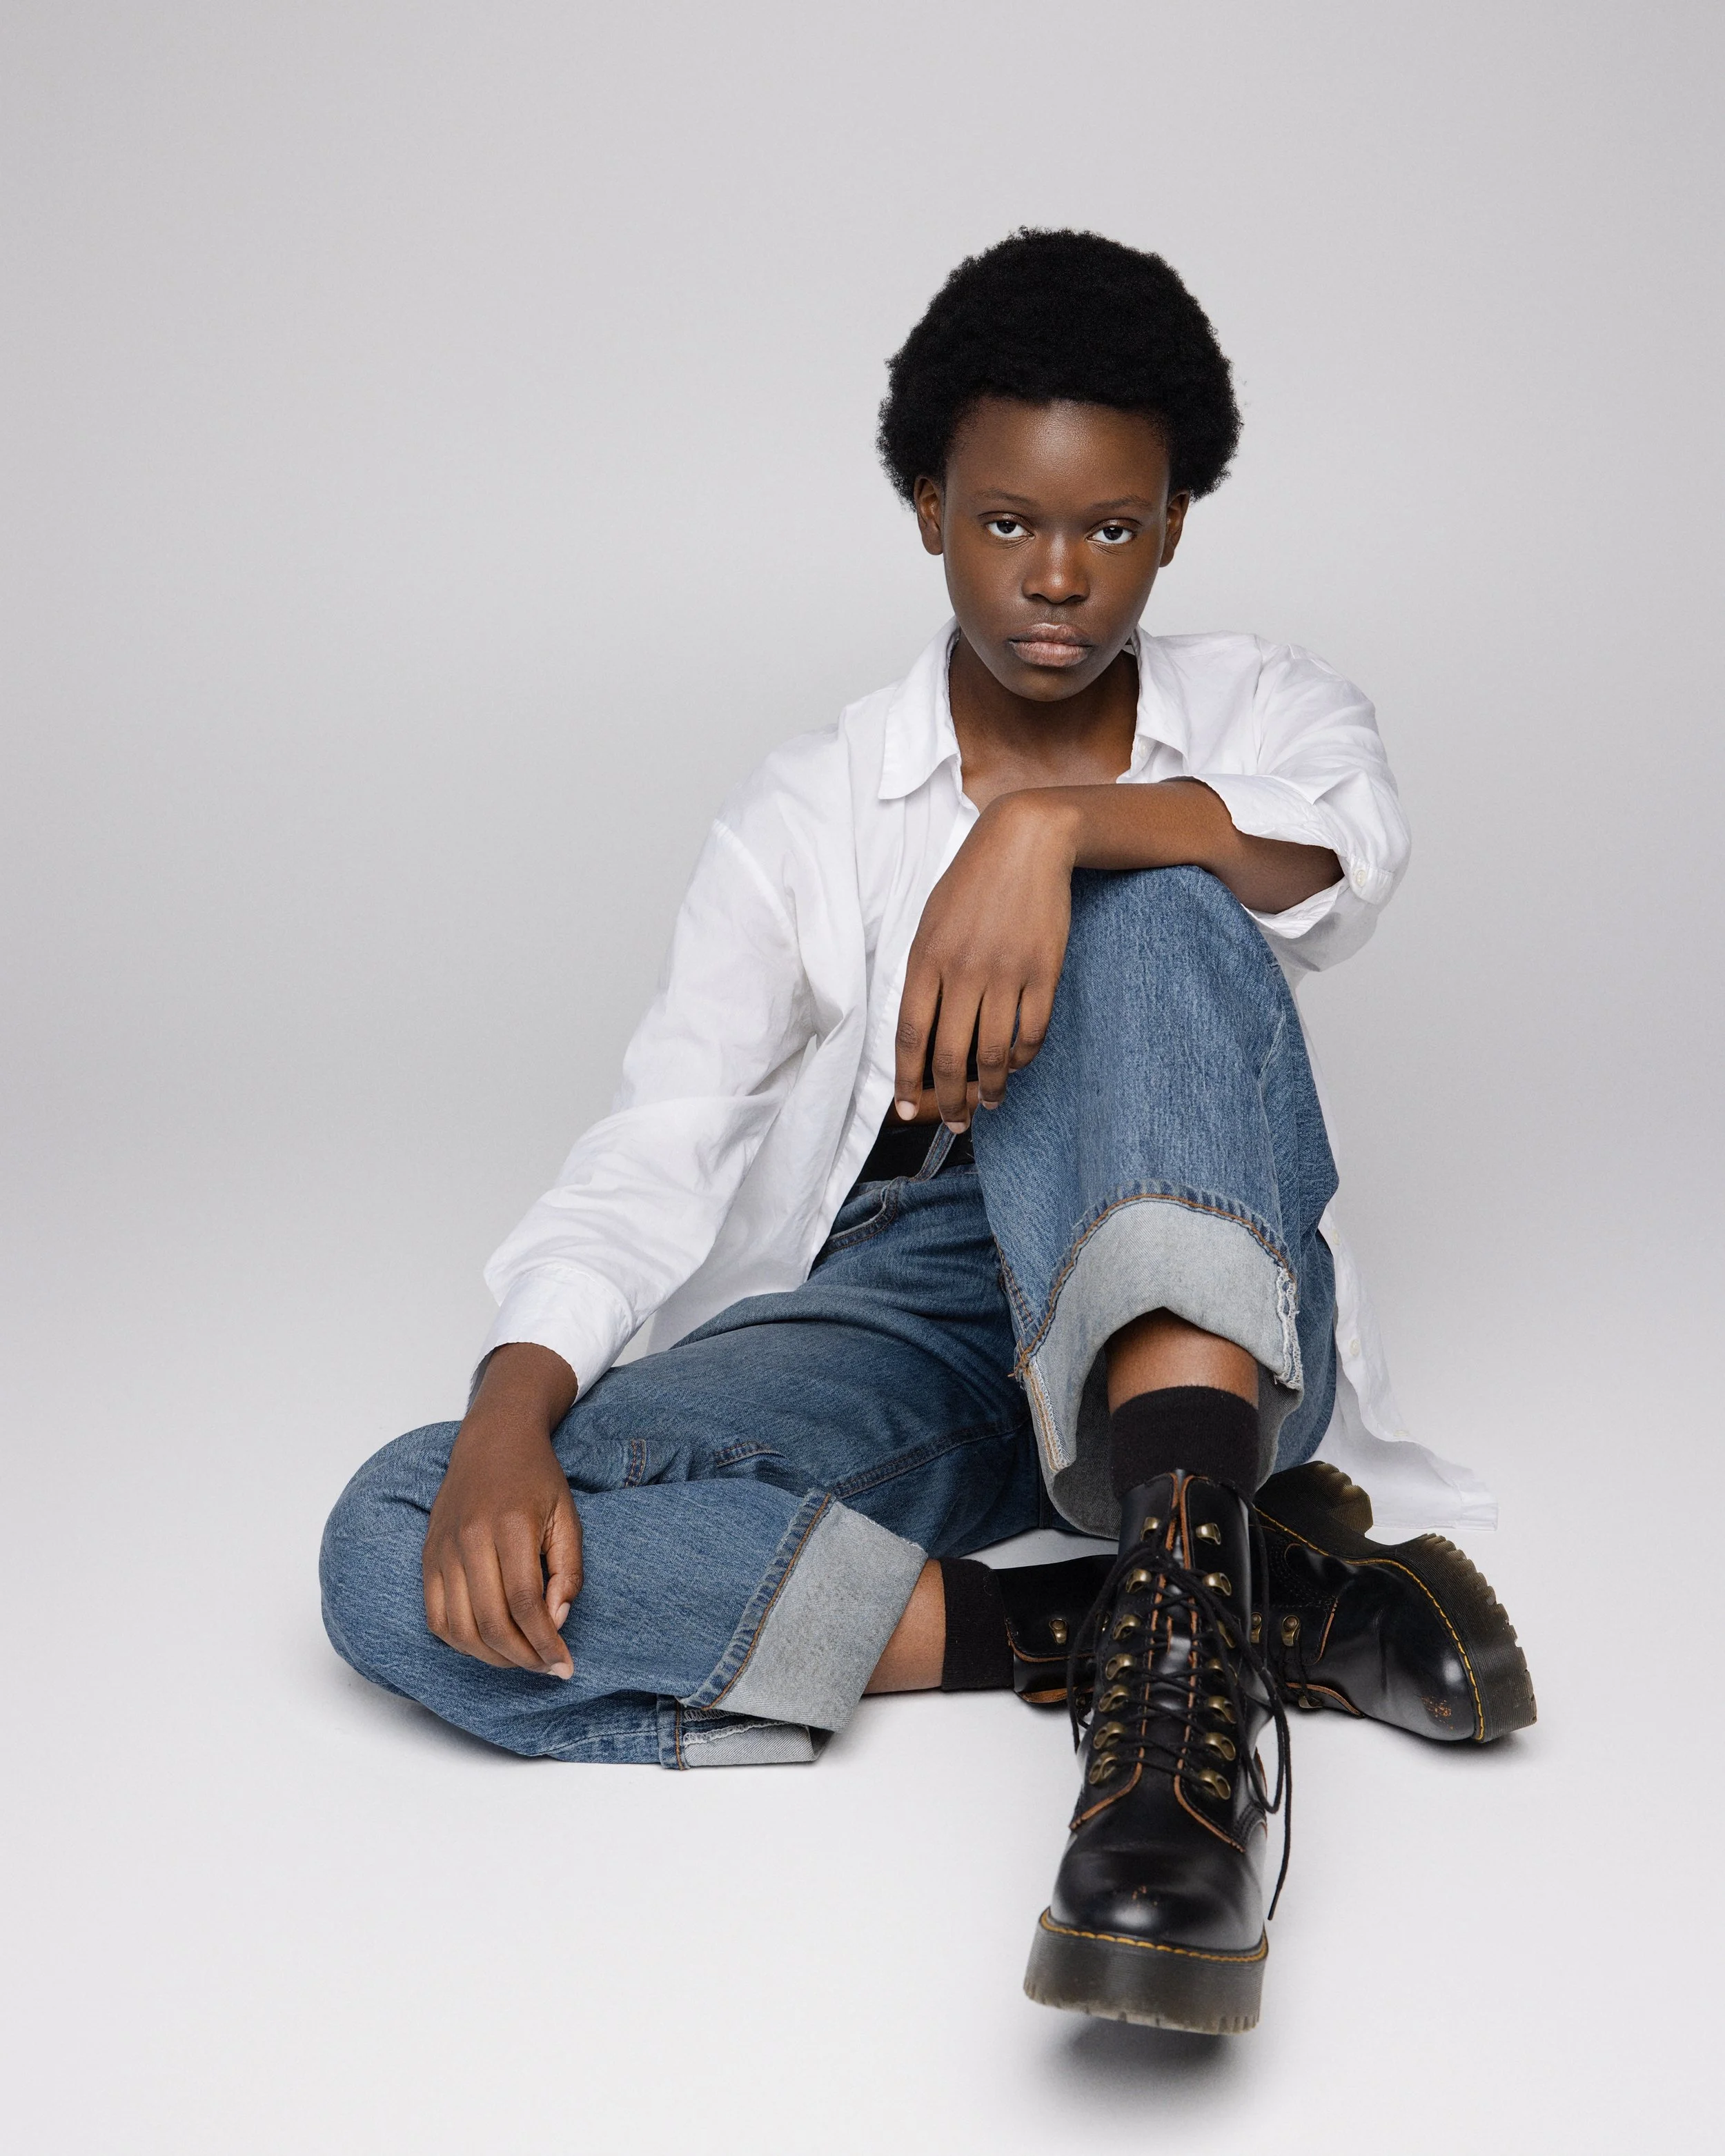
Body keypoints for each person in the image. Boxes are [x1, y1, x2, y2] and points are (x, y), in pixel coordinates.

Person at [320, 229, 1533, 2035]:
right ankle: (1151, 1618)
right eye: (1003, 523)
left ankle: (1170, 1774)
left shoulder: (1264, 712)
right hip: (912, 1309)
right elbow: (665, 1131)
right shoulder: (807, 811)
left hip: (1183, 1300)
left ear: (1174, 524)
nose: (1055, 580)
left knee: (1158, 894)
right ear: (923, 506)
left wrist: (1058, 833)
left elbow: (1340, 856)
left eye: (1109, 529)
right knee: (399, 1533)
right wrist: (512, 1407)